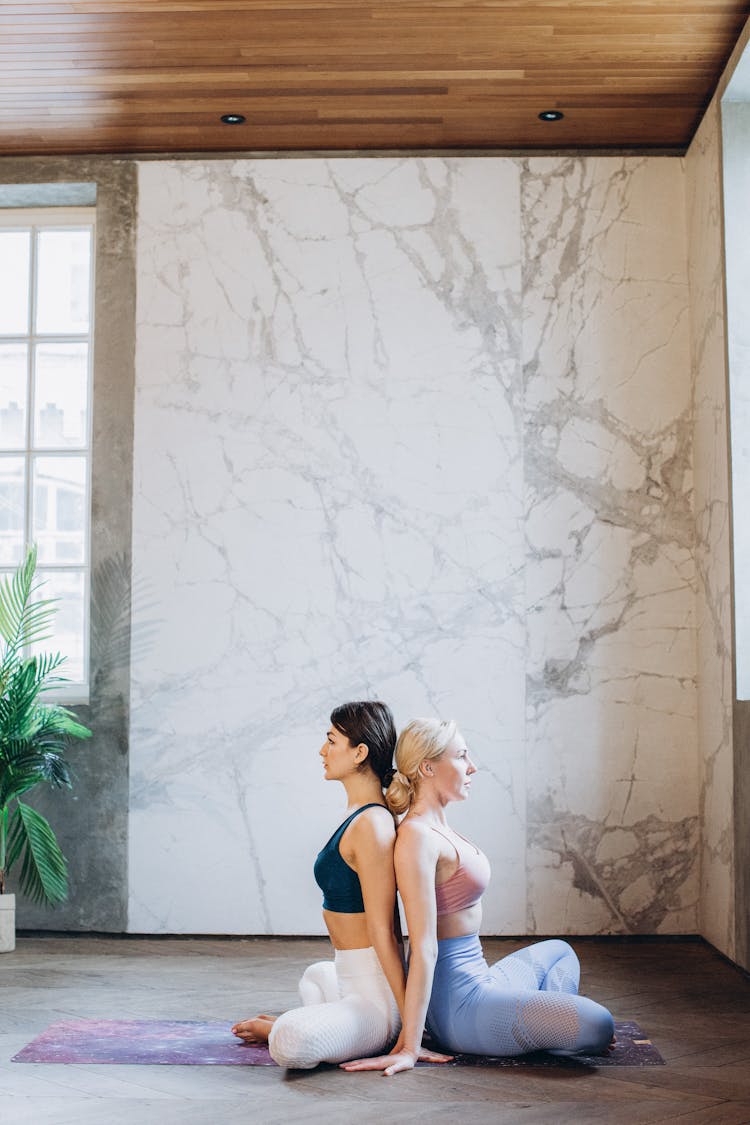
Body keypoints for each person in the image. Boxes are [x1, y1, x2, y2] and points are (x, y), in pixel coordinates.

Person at [342, 717, 615, 1076]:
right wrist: (410, 1046)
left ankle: (545, 1024)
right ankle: (543, 1027)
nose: (471, 767)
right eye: (462, 756)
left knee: (560, 951)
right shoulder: (417, 839)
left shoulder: (438, 828)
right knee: (599, 1024)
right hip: (461, 1008)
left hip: (483, 980)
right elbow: (423, 946)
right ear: (428, 767)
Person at [232, 702, 450, 1069]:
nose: (323, 750)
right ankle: (323, 1021)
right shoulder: (360, 818)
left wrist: (411, 1032)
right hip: (348, 976)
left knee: (289, 1043)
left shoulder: (373, 825)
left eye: (331, 740)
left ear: (359, 752)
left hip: (375, 1000)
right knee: (315, 977)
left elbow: (385, 930)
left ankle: (290, 1027)